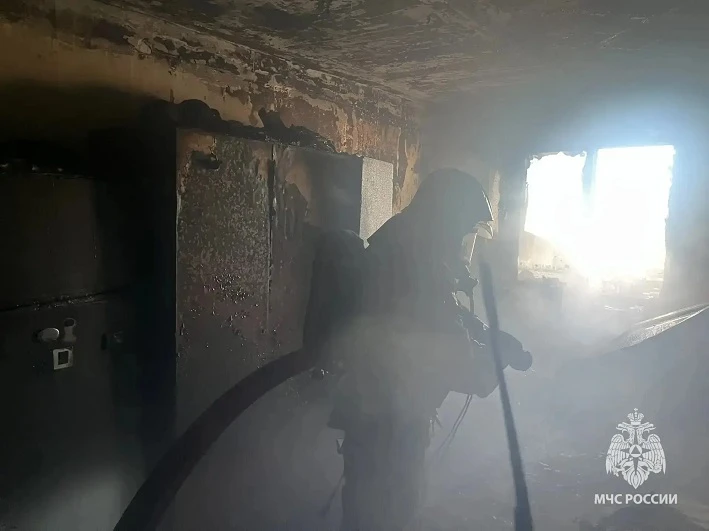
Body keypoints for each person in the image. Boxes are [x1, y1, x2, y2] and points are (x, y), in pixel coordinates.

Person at [307, 168, 529, 530]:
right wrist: (494, 360)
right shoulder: (413, 265)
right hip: (388, 424)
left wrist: (489, 335)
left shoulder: (404, 250)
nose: (463, 242)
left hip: (378, 417)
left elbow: (445, 315)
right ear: (444, 220)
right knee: (386, 515)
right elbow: (450, 360)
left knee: (372, 509)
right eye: (463, 229)